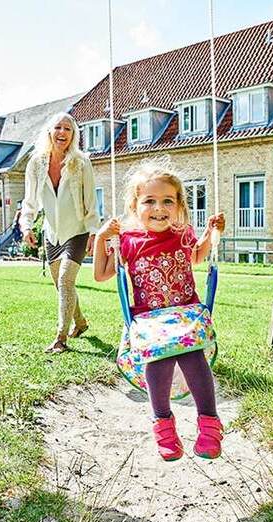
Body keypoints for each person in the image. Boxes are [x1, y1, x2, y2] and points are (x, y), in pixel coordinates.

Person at [92, 158, 226, 461]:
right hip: (150, 322)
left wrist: (211, 234)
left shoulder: (182, 233)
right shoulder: (127, 240)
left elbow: (197, 256)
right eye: (149, 201)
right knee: (158, 360)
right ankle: (164, 425)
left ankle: (209, 423)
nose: (159, 208)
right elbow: (101, 274)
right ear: (135, 205)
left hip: (186, 315)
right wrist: (102, 237)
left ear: (178, 204)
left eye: (167, 201)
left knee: (193, 356)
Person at [20, 112, 98, 353]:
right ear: (49, 132)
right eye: (58, 128)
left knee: (66, 280)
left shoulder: (81, 162)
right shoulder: (36, 162)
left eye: (68, 129)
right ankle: (81, 323)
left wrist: (94, 232)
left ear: (73, 135)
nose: (62, 132)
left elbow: (91, 200)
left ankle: (60, 338)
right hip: (51, 232)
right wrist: (27, 226)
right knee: (62, 284)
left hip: (78, 230)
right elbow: (30, 199)